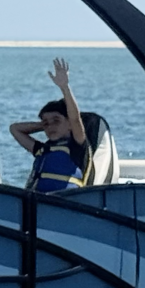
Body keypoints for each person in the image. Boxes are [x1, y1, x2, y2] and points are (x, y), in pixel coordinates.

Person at [9, 57, 90, 193]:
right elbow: (15, 129)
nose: (51, 126)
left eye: (56, 121)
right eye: (46, 123)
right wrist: (44, 125)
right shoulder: (41, 149)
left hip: (65, 201)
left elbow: (75, 119)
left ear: (69, 123)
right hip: (38, 201)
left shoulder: (77, 146)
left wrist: (64, 87)